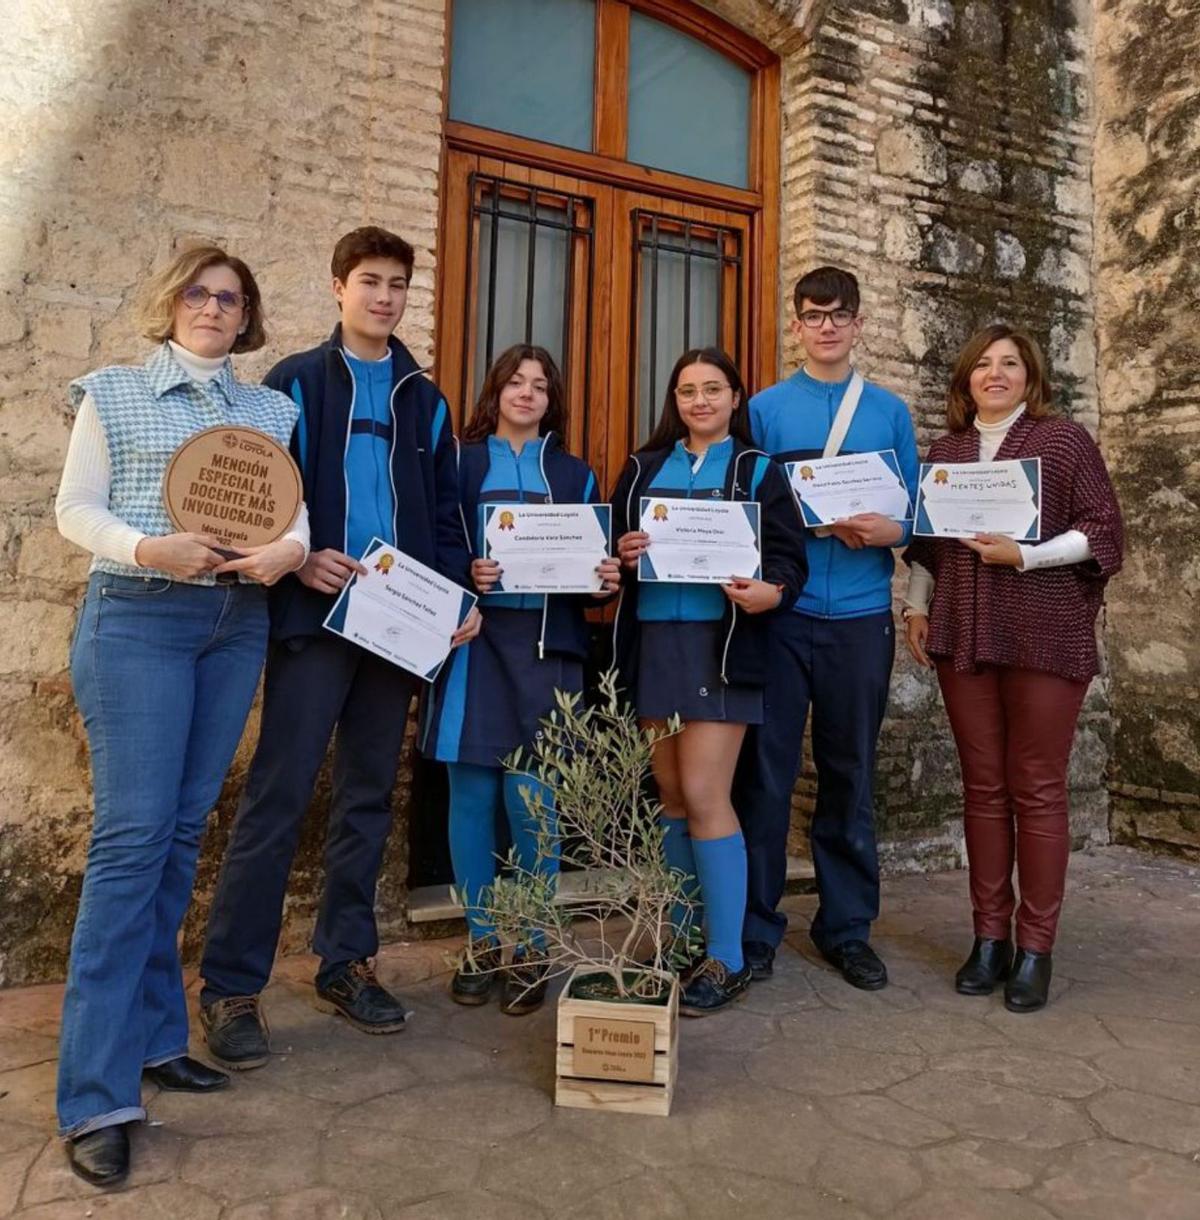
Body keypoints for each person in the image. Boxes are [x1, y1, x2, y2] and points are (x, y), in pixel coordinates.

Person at [53, 246, 309, 1185]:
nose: (213, 308)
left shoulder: (270, 410)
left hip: (233, 623)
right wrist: (147, 546)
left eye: (230, 298)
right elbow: (73, 509)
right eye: (199, 294)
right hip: (138, 620)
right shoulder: (113, 392)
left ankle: (157, 1039)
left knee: (180, 837)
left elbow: (297, 519)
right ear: (173, 304)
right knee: (129, 844)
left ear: (248, 317)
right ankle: (95, 1094)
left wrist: (285, 555)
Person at [198, 226, 478, 1064]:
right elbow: (262, 503)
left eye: (396, 283)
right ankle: (231, 988)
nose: (383, 296)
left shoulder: (425, 397)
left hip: (397, 627)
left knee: (366, 798)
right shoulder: (292, 385)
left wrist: (458, 595)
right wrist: (298, 557)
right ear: (337, 287)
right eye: (368, 280)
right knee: (276, 801)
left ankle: (346, 964)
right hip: (314, 622)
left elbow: (445, 512)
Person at [902, 323, 1122, 1013]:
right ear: (966, 379)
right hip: (965, 633)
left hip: (1044, 633)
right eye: (983, 365)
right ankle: (989, 937)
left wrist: (1022, 556)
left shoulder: (1063, 442)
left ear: (1030, 376)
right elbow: (927, 546)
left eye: (1010, 364)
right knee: (984, 787)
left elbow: (1102, 530)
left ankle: (1035, 947)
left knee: (1037, 787)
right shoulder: (949, 451)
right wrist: (915, 608)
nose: (995, 374)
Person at [420, 344, 620, 1014]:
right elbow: (438, 544)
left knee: (532, 806)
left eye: (539, 384)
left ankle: (533, 943)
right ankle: (482, 941)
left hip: (547, 653)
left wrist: (604, 580)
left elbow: (592, 581)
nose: (527, 393)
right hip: (473, 648)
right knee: (472, 798)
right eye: (514, 381)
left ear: (551, 398)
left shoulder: (574, 474)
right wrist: (463, 576)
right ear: (495, 390)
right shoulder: (461, 461)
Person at [735, 265, 919, 990]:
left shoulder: (889, 413)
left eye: (840, 314)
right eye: (814, 315)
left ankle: (845, 929)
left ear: (860, 322)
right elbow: (745, 509)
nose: (828, 326)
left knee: (849, 775)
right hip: (786, 618)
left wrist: (885, 531)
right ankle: (756, 928)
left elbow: (915, 520)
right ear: (797, 324)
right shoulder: (768, 410)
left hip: (862, 620)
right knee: (767, 777)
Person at [612, 347, 808, 1016]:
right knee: (667, 794)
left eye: (713, 389)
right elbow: (616, 552)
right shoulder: (641, 468)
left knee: (703, 791)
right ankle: (679, 939)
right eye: (688, 390)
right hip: (653, 644)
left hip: (721, 649)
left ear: (734, 397)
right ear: (675, 400)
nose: (700, 401)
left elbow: (787, 560)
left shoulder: (757, 469)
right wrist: (625, 552)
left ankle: (727, 956)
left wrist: (770, 592)